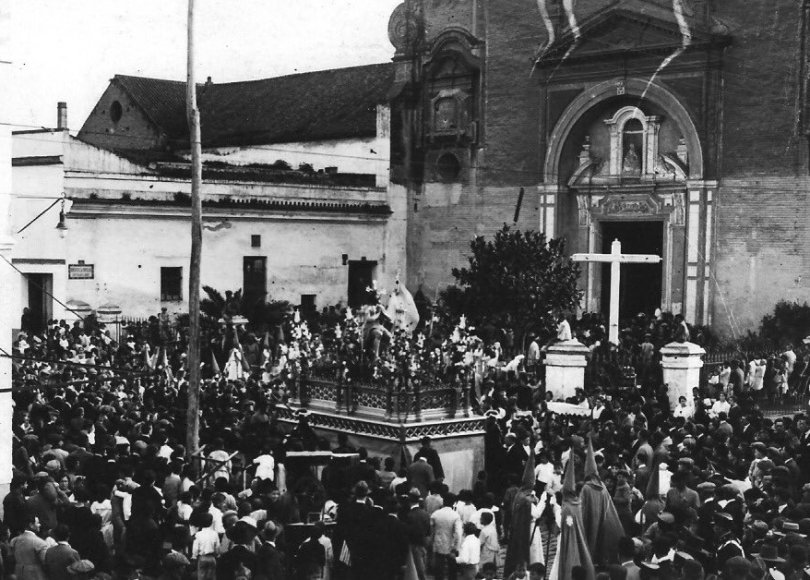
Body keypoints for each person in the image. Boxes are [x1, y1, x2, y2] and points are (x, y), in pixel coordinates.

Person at [10, 515, 49, 580]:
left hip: (18, 575)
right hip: (36, 576)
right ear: (31, 525)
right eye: (38, 523)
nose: (39, 525)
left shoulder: (14, 540)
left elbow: (12, 559)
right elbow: (45, 563)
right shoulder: (40, 543)